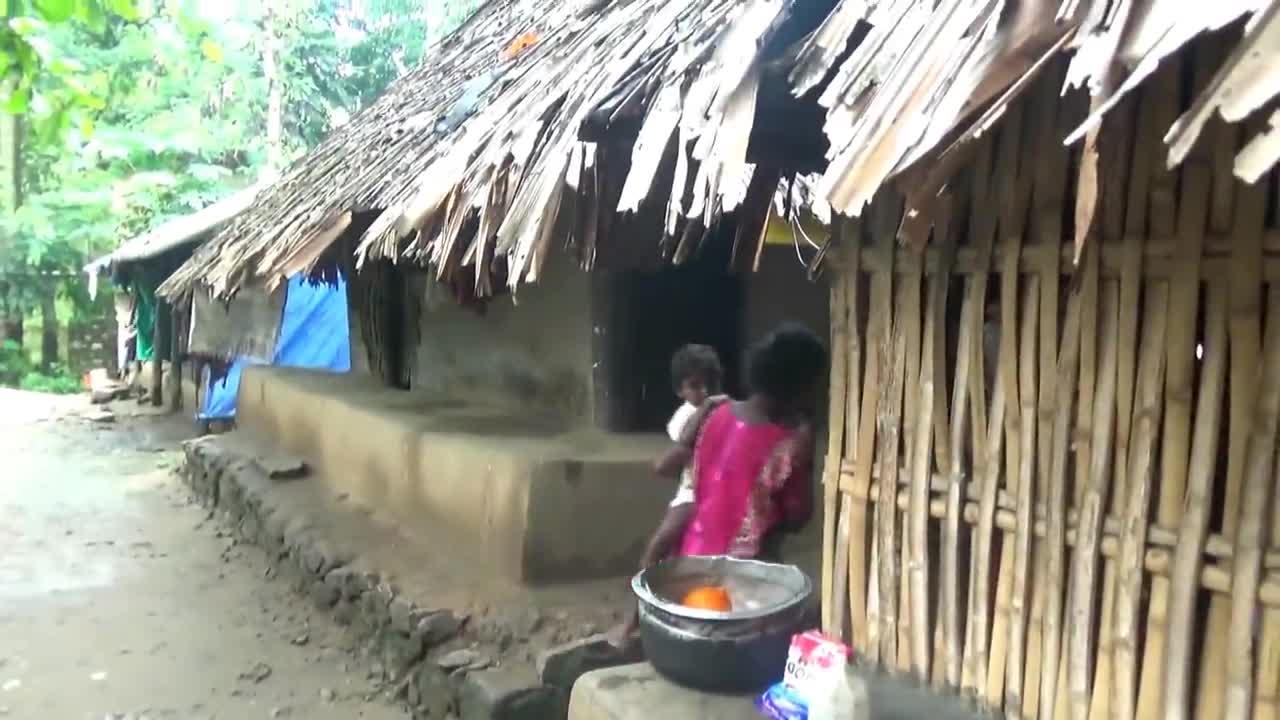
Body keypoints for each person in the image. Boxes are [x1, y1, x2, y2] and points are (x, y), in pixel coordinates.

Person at [672, 323, 822, 559]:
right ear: (800, 387)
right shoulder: (791, 444)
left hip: (694, 558)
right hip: (750, 573)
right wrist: (807, 462)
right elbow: (797, 518)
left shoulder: (715, 414)